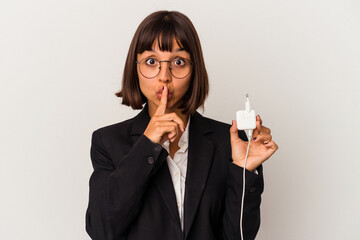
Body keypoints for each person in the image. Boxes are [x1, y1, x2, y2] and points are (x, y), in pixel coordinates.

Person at [85, 10, 278, 240]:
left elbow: (238, 236)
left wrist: (244, 172)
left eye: (178, 62)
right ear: (135, 68)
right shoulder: (108, 142)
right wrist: (147, 145)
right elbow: (101, 230)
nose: (164, 76)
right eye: (151, 61)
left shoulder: (227, 142)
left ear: (194, 69)